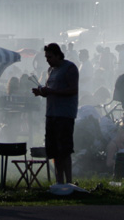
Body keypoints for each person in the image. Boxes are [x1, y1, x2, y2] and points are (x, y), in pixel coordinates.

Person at [31, 43, 79, 184]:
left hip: (64, 114)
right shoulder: (51, 70)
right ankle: (59, 182)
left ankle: (69, 181)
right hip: (51, 113)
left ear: (58, 55)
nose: (47, 60)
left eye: (50, 57)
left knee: (64, 150)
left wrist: (51, 91)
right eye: (46, 57)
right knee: (53, 151)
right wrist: (41, 92)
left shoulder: (70, 68)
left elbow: (73, 90)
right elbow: (51, 90)